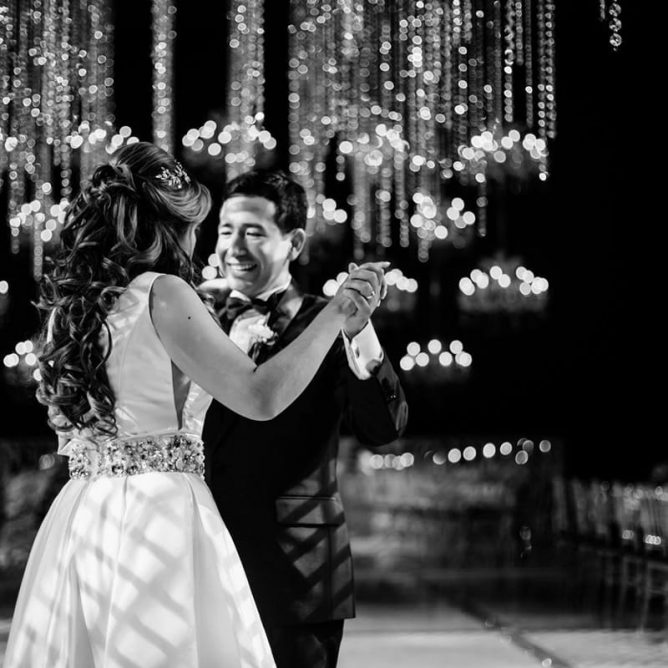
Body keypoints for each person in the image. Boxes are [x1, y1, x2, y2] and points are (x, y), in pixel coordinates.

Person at [3, 142, 387, 668]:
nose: (201, 241)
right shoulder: (166, 292)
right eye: (201, 226)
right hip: (157, 514)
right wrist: (338, 310)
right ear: (169, 227)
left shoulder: (70, 308)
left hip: (84, 514)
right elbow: (260, 396)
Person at [201, 169, 408, 668]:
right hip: (201, 560)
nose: (234, 247)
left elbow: (384, 429)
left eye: (253, 232)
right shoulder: (195, 318)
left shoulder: (328, 321)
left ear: (293, 243)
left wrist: (359, 332)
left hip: (297, 568)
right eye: (227, 230)